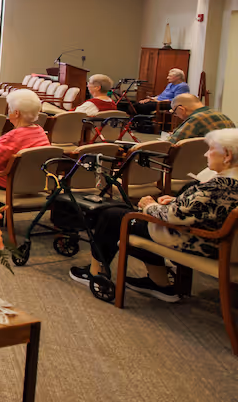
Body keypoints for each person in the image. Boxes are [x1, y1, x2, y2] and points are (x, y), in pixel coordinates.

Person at [70, 128, 238, 301]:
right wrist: (175, 201)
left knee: (112, 216)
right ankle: (159, 283)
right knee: (126, 215)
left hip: (196, 240)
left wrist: (149, 205)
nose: (206, 154)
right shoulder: (230, 184)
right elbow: (207, 209)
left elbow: (173, 217)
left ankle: (96, 273)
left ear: (227, 156)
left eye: (211, 150)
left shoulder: (218, 186)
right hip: (224, 243)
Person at [166, 93, 236, 143]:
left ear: (181, 109)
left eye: (175, 112)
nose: (177, 115)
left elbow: (172, 144)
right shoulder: (222, 115)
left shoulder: (196, 119)